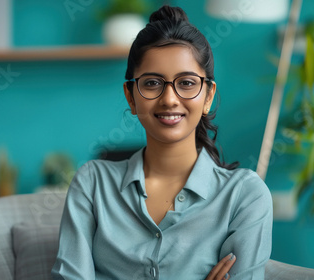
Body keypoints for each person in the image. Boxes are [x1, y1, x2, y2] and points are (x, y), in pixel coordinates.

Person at [52, 5, 272, 280]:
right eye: (153, 83)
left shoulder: (244, 196)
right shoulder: (92, 184)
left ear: (208, 96)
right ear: (131, 96)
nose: (169, 99)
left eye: (187, 83)